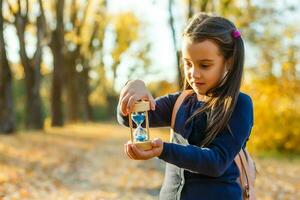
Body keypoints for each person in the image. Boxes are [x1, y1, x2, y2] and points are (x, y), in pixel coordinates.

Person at [117, 12, 254, 200]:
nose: (193, 73)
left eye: (204, 65)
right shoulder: (180, 101)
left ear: (228, 62)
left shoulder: (239, 105)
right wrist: (132, 87)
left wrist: (164, 150)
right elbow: (128, 119)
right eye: (188, 64)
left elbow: (216, 162)